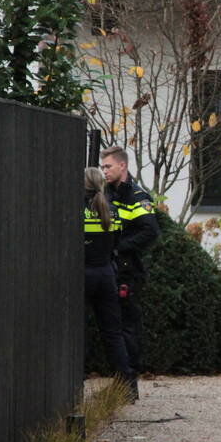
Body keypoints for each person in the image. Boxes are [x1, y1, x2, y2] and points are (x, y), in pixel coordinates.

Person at [100, 146, 160, 400]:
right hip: (108, 269)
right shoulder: (106, 194)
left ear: (122, 166)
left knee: (127, 327)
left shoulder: (136, 196)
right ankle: (119, 380)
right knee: (111, 328)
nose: (104, 171)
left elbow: (150, 232)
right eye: (102, 167)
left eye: (108, 167)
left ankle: (129, 384)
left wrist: (118, 248)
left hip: (127, 271)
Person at [83, 167, 136, 390]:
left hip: (84, 275)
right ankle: (127, 387)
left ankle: (76, 384)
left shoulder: (79, 211)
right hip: (106, 275)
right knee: (113, 333)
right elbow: (116, 245)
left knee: (79, 331)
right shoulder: (112, 211)